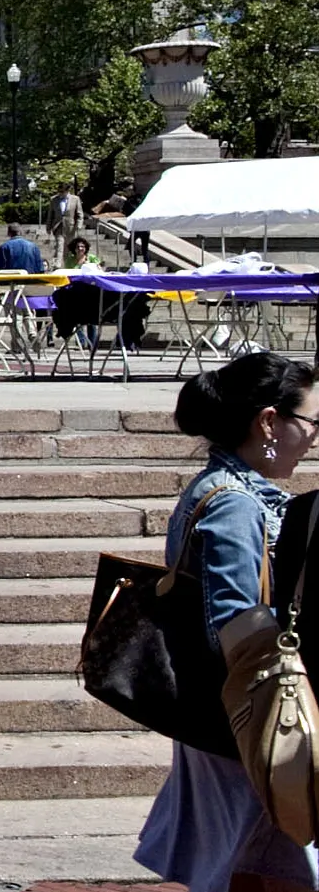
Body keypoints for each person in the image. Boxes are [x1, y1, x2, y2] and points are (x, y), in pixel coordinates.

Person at [134, 352, 319, 892]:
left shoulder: (222, 488)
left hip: (231, 713)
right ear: (268, 421)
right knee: (257, 859)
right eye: (309, 423)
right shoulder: (236, 504)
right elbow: (237, 621)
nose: (312, 438)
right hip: (251, 716)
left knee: (251, 862)